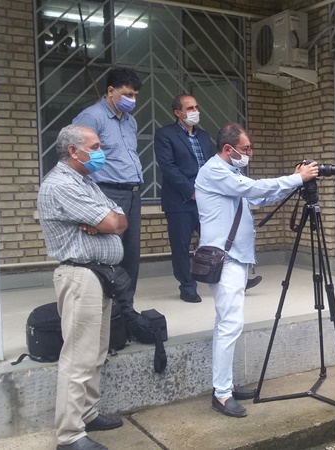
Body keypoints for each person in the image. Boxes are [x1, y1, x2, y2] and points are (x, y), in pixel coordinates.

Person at [195, 123, 318, 418]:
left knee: (226, 324)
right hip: (224, 260)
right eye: (246, 148)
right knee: (230, 324)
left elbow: (258, 197)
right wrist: (296, 178)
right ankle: (221, 394)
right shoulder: (214, 172)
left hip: (234, 259)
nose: (249, 153)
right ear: (229, 149)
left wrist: (293, 183)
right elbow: (251, 189)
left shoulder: (230, 173)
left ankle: (224, 385)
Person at [38, 125, 128, 450]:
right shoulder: (61, 184)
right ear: (73, 151)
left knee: (96, 353)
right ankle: (70, 436)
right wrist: (107, 222)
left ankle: (88, 414)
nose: (101, 152)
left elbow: (121, 220)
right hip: (79, 276)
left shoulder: (86, 182)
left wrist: (106, 222)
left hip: (98, 275)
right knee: (78, 357)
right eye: (96, 146)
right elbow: (112, 222)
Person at [72, 67, 143, 306]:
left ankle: (126, 309)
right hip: (106, 192)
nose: (132, 99)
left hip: (133, 193)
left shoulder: (130, 121)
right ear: (111, 91)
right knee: (108, 252)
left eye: (135, 95)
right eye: (127, 94)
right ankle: (105, 309)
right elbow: (76, 158)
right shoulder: (91, 117)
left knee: (131, 254)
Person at [154, 94, 215, 303]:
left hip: (207, 199)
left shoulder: (204, 136)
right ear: (177, 113)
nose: (195, 111)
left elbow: (212, 165)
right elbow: (168, 167)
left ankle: (230, 279)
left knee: (216, 241)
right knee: (181, 246)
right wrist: (191, 191)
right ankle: (187, 286)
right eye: (190, 108)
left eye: (196, 107)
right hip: (180, 201)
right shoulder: (165, 135)